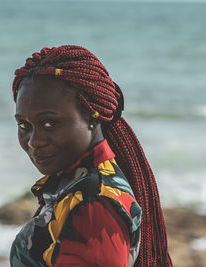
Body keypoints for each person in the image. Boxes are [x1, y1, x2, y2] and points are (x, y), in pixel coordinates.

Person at [9, 45, 172, 267]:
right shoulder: (76, 184)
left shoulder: (95, 204)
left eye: (50, 123)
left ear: (92, 118)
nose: (33, 141)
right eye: (24, 125)